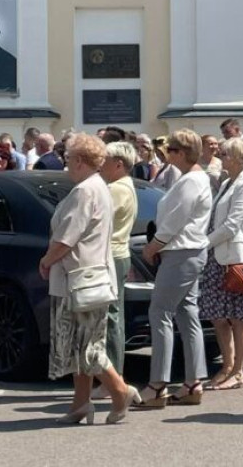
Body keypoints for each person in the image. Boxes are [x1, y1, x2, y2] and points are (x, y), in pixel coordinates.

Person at [38, 133, 139, 425]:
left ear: (80, 161)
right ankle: (80, 404)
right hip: (89, 275)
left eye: (68, 158)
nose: (65, 163)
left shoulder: (85, 191)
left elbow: (67, 236)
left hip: (81, 279)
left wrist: (46, 259)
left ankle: (120, 391)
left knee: (87, 347)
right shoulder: (98, 186)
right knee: (79, 345)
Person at [135, 129, 212, 408]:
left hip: (180, 251)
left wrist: (153, 246)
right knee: (186, 312)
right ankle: (192, 381)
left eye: (171, 150)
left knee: (160, 312)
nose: (167, 154)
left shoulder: (190, 181)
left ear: (179, 153)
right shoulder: (193, 178)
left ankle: (158, 385)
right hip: (188, 251)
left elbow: (174, 221)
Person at [199, 137, 243, 391]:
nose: (221, 158)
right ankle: (226, 366)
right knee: (218, 316)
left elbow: (233, 225)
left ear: (238, 159)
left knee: (237, 317)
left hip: (235, 258)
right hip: (217, 257)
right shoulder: (226, 183)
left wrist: (205, 242)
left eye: (225, 154)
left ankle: (238, 371)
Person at [95, 140, 139, 389]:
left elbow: (97, 218)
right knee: (113, 316)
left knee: (111, 318)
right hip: (117, 253)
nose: (102, 165)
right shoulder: (122, 185)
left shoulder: (117, 189)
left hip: (111, 254)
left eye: (106, 161)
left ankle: (114, 377)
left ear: (119, 164)